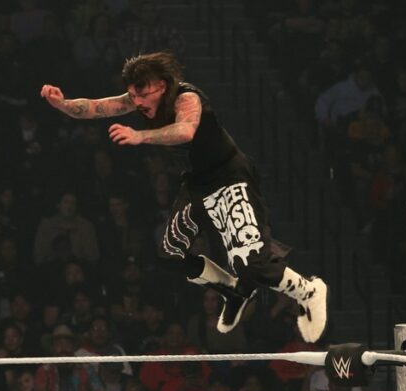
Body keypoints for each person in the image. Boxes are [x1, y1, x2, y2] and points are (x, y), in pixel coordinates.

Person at [40, 52, 328, 342]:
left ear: (161, 86)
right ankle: (233, 290)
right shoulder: (138, 98)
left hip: (229, 177)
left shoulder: (187, 97)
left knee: (251, 262)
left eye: (141, 93)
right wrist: (62, 104)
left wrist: (141, 136)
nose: (136, 101)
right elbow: (96, 108)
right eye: (132, 94)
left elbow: (186, 130)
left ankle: (308, 290)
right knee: (170, 251)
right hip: (197, 184)